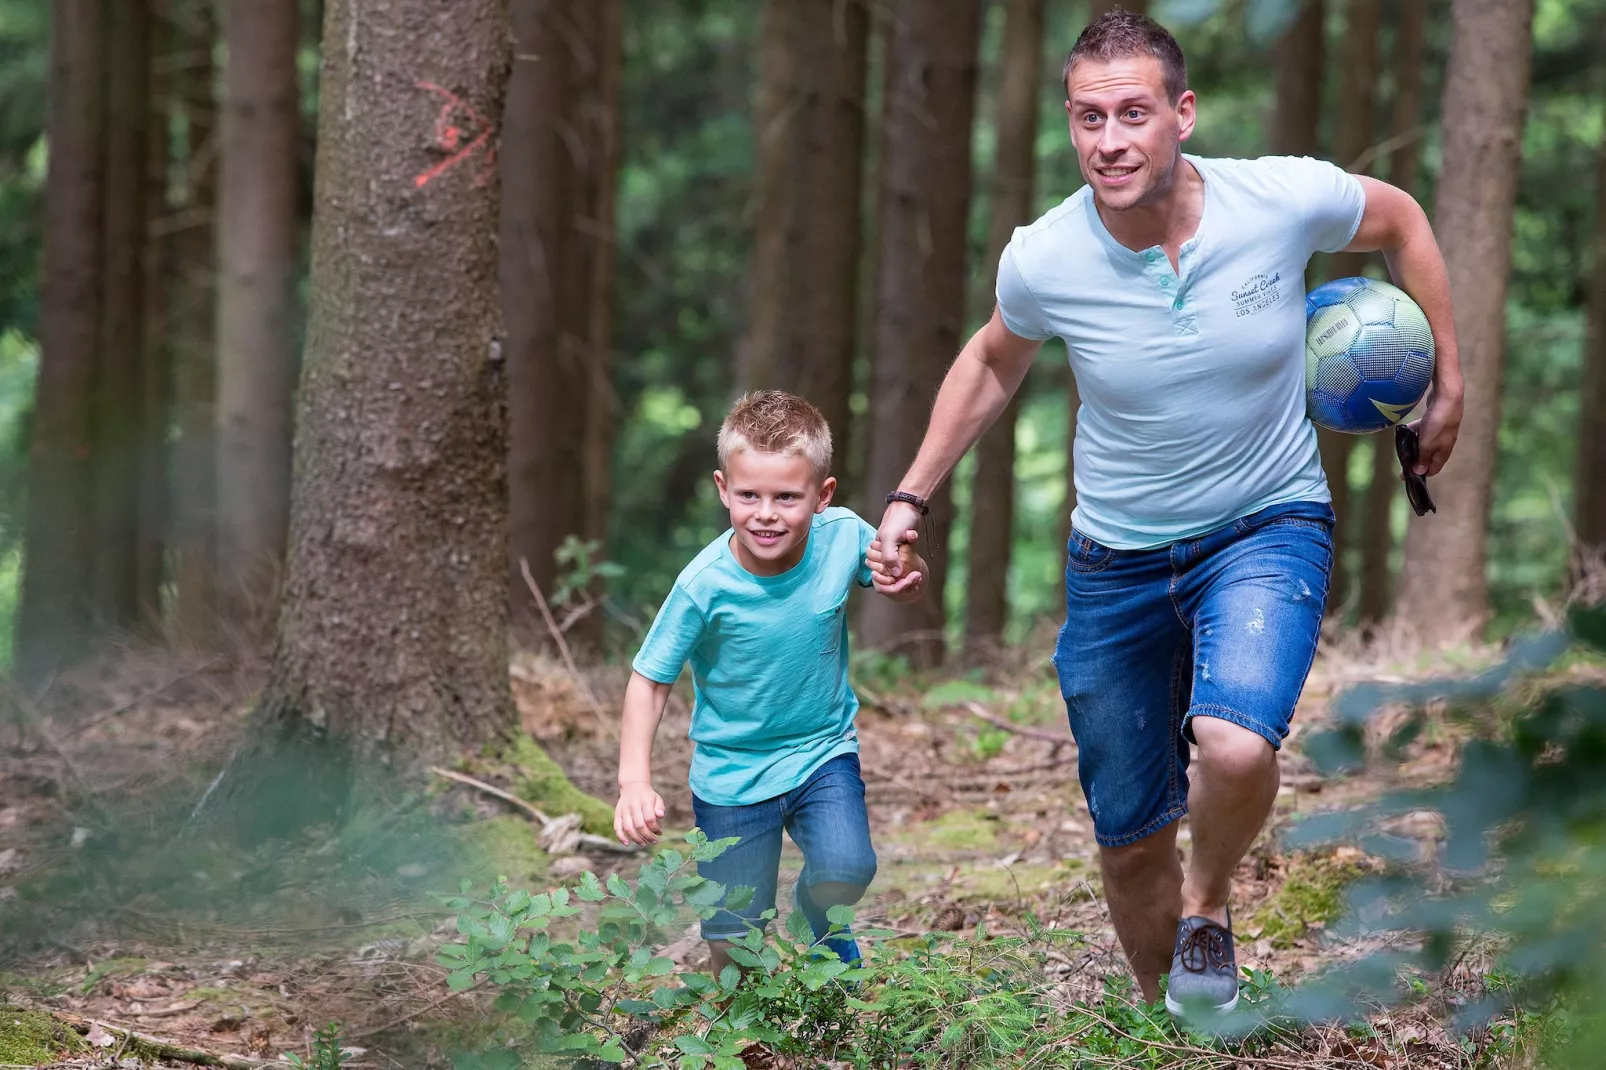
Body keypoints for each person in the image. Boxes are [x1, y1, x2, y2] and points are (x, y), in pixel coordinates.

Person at [869, 11, 1462, 1016]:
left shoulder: (1275, 200)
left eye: (1133, 114)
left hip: (1266, 523)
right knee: (1130, 841)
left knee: (1236, 744)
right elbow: (992, 360)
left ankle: (1209, 899)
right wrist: (908, 495)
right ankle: (1175, 1029)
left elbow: (1401, 217)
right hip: (1117, 559)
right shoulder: (1044, 256)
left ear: (1182, 114)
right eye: (1088, 118)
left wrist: (1451, 375)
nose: (1109, 141)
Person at [614, 390, 927, 975]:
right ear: (722, 489)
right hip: (731, 775)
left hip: (821, 751)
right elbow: (649, 679)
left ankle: (817, 920)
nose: (766, 513)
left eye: (786, 497)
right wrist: (634, 781)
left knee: (847, 867)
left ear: (822, 495)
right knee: (735, 936)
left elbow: (899, 570)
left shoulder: (843, 535)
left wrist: (907, 573)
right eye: (748, 495)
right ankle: (740, 1019)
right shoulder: (704, 585)